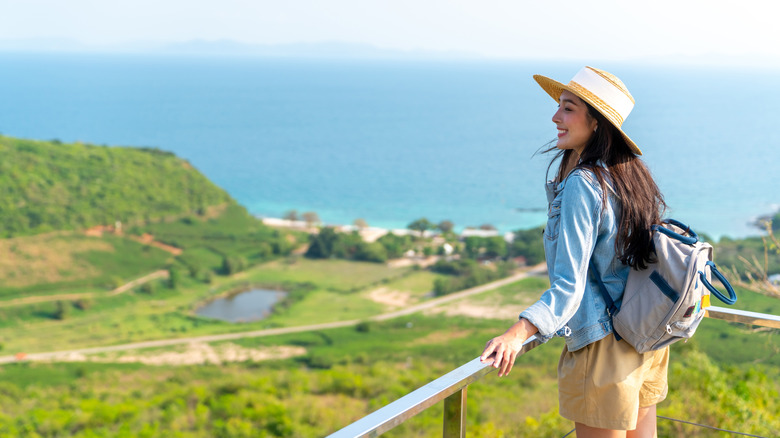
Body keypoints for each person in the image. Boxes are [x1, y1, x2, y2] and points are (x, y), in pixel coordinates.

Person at [479, 66, 668, 438]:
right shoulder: (630, 174)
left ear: (596, 122)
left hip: (604, 348)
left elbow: (570, 285)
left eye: (567, 108)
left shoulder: (585, 182)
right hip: (645, 339)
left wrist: (517, 333)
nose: (555, 117)